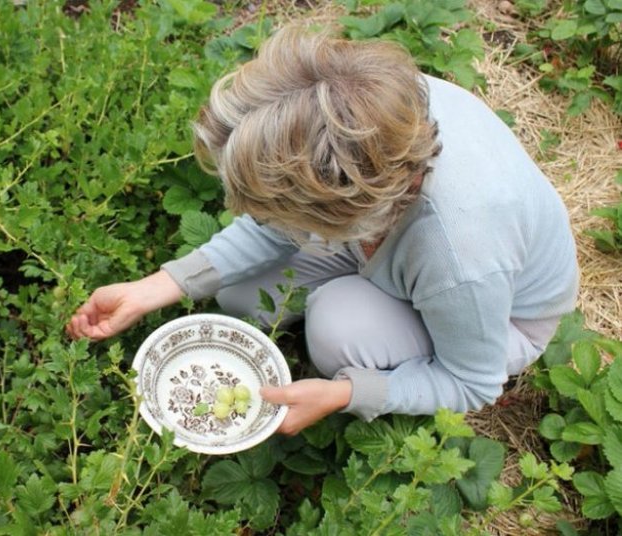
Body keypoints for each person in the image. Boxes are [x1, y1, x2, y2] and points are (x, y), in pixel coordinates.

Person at [66, 25, 579, 435]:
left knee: (336, 329)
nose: (266, 220)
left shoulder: (460, 252)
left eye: (284, 214)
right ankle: (352, 294)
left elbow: (473, 381)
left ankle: (358, 328)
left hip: (499, 318)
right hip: (390, 248)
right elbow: (278, 221)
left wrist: (349, 393)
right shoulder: (373, 121)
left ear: (344, 214)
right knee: (243, 294)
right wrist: (155, 287)